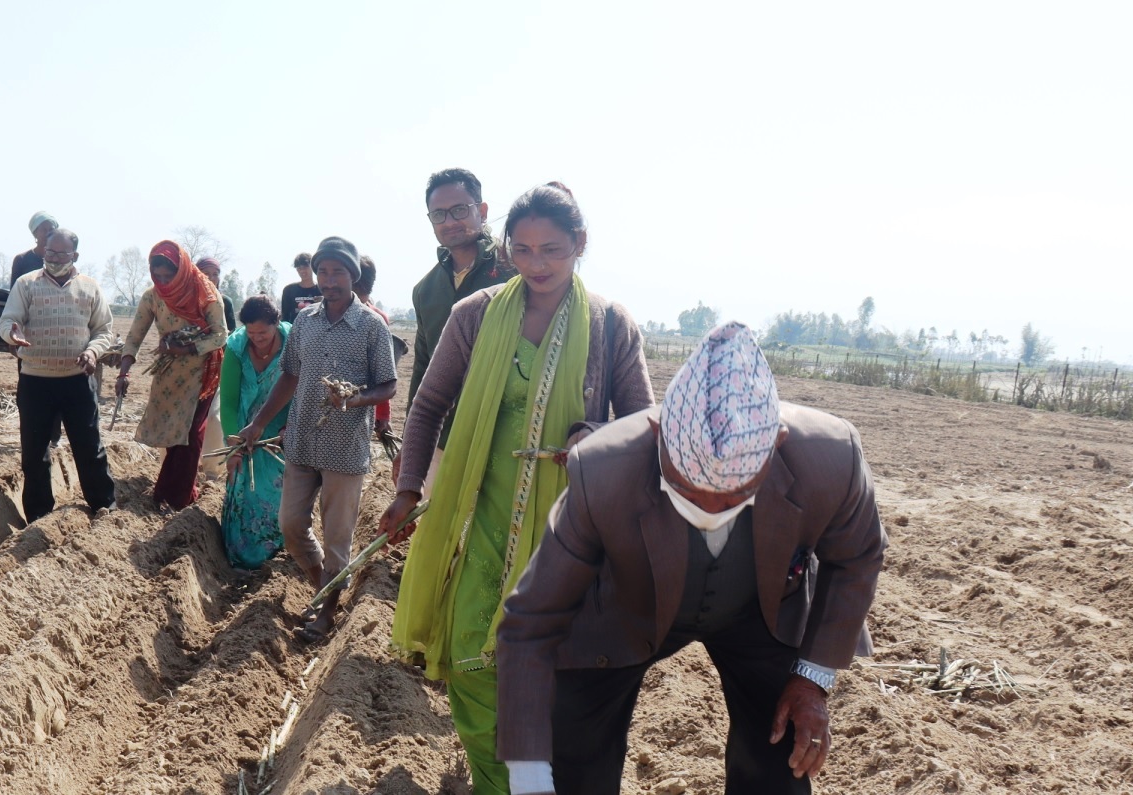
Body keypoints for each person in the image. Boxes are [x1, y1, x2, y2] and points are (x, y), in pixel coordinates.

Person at [494, 323, 887, 795]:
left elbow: (856, 559)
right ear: (658, 432)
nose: (710, 512)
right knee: (573, 762)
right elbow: (532, 620)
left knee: (777, 759)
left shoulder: (831, 457)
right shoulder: (602, 470)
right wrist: (530, 776)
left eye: (736, 496)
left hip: (761, 612)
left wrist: (813, 680)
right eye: (687, 492)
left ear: (777, 442)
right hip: (625, 611)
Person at [380, 183, 653, 793]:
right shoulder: (474, 316)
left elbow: (644, 429)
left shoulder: (610, 326)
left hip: (574, 534)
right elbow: (426, 409)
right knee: (479, 667)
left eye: (552, 250)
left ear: (580, 245)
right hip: (480, 520)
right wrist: (407, 491)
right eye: (523, 250)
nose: (536, 265)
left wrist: (597, 433)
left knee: (562, 675)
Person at [236, 237, 397, 642]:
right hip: (303, 441)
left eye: (337, 272)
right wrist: (258, 423)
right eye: (323, 272)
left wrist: (355, 397)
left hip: (345, 447)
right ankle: (321, 586)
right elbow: (290, 375)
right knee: (290, 525)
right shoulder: (305, 321)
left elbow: (389, 385)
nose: (328, 280)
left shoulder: (371, 326)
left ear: (352, 276)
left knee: (337, 536)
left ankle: (326, 613)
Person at [410, 168, 516, 499]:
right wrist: (411, 445)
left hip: (507, 434)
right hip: (444, 437)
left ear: (481, 211)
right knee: (439, 537)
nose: (450, 221)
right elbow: (423, 367)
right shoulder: (426, 290)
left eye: (460, 210)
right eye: (439, 214)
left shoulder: (515, 272)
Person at [0, 227, 117, 521]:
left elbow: (104, 330)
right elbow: (8, 320)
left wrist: (92, 352)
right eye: (49, 252)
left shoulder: (89, 287)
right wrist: (13, 334)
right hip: (35, 380)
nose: (52, 258)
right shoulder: (26, 285)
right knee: (35, 451)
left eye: (60, 254)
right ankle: (38, 514)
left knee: (89, 446)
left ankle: (102, 504)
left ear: (74, 255)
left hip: (77, 380)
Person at [116, 241, 228, 510]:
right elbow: (135, 336)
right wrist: (123, 371)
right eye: (159, 276)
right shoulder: (152, 296)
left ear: (182, 270)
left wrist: (187, 348)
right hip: (168, 373)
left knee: (189, 433)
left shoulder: (206, 292)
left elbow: (220, 334)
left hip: (201, 372)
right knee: (172, 432)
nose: (165, 281)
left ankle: (176, 498)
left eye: (170, 276)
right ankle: (174, 490)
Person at [217, 295, 290, 569]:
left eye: (264, 332)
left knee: (277, 492)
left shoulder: (293, 343)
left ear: (277, 323)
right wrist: (233, 444)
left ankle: (276, 554)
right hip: (245, 430)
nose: (257, 338)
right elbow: (229, 400)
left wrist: (291, 427)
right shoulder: (236, 347)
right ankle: (239, 557)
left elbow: (303, 388)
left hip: (279, 433)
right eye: (251, 332)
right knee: (244, 490)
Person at [195, 256, 234, 480]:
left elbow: (230, 335)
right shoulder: (187, 299)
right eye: (205, 273)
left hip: (217, 367)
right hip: (187, 368)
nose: (211, 278)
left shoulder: (225, 301)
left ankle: (211, 471)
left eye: (215, 274)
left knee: (215, 420)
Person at [352, 255, 393, 436]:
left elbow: (383, 375)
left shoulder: (377, 320)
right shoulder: (321, 314)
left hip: (361, 406)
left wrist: (382, 414)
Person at [10, 211, 58, 287]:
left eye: (51, 229)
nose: (48, 233)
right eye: (44, 230)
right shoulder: (21, 260)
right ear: (35, 233)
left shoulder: (62, 259)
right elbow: (14, 293)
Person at [278, 252, 321, 324]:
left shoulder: (322, 289)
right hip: (295, 331)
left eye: (305, 267)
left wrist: (323, 302)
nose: (302, 271)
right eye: (299, 268)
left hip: (317, 331)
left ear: (313, 267)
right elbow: (285, 316)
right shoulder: (289, 290)